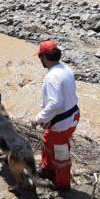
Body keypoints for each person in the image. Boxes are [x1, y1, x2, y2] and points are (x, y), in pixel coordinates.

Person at [30, 40, 80, 191]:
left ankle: (63, 186)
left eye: (40, 57)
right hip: (72, 115)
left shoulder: (52, 77)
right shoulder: (65, 69)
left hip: (62, 122)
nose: (41, 61)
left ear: (44, 57)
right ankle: (47, 170)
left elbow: (54, 103)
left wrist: (38, 119)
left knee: (61, 154)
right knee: (48, 140)